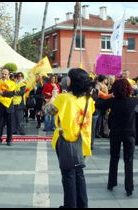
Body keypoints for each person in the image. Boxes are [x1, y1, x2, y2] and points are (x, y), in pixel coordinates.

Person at [51, 68, 95, 208]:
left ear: (73, 81)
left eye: (68, 77)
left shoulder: (63, 98)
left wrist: (53, 96)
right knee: (79, 174)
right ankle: (82, 205)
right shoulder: (89, 99)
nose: (66, 80)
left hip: (67, 141)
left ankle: (70, 205)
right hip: (83, 141)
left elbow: (49, 111)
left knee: (68, 175)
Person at [96, 78, 138, 196]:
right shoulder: (132, 101)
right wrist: (137, 91)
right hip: (130, 133)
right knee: (128, 160)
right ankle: (129, 187)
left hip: (115, 133)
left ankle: (111, 182)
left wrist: (109, 95)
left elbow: (98, 105)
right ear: (128, 88)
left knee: (114, 158)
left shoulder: (112, 101)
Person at [0, 68, 16, 146]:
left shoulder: (12, 83)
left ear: (8, 75)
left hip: (9, 106)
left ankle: (9, 140)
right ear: (0, 74)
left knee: (10, 124)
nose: (3, 75)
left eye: (5, 74)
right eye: (2, 74)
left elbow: (12, 94)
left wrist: (2, 93)